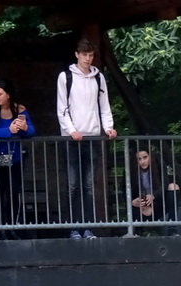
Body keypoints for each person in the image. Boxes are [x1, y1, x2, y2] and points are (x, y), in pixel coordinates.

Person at [57, 38, 117, 240]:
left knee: (89, 184)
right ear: (77, 54)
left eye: (90, 55)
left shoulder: (98, 77)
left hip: (92, 136)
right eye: (84, 55)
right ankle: (74, 228)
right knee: (73, 184)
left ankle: (88, 228)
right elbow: (62, 108)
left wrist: (108, 127)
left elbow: (104, 105)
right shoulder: (65, 77)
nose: (87, 59)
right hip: (72, 139)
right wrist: (71, 130)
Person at [0, 79, 35, 239]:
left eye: (0, 94)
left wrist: (24, 128)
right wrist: (9, 131)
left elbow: (31, 130)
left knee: (13, 193)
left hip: (14, 158)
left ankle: (13, 226)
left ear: (8, 95)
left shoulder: (20, 109)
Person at [130, 147, 181, 236]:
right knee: (136, 205)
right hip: (142, 204)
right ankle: (137, 231)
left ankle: (172, 228)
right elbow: (125, 189)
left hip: (159, 202)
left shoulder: (158, 165)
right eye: (139, 159)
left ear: (150, 157)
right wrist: (132, 201)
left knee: (173, 186)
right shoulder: (132, 171)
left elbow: (165, 183)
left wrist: (153, 196)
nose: (142, 161)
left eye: (145, 157)